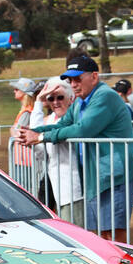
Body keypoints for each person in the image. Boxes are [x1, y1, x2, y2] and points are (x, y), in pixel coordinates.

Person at [14, 52, 133, 242]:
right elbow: (62, 125)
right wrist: (31, 132)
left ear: (94, 76)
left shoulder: (105, 96)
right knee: (102, 235)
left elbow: (83, 129)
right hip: (97, 175)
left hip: (115, 175)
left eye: (77, 79)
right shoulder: (80, 102)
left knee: (114, 235)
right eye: (70, 81)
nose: (73, 85)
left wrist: (40, 136)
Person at [34, 77, 84, 223]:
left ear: (70, 98)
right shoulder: (49, 120)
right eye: (50, 98)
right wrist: (38, 101)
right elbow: (38, 148)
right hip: (55, 184)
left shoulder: (76, 118)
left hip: (73, 188)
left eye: (60, 97)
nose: (55, 102)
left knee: (75, 231)